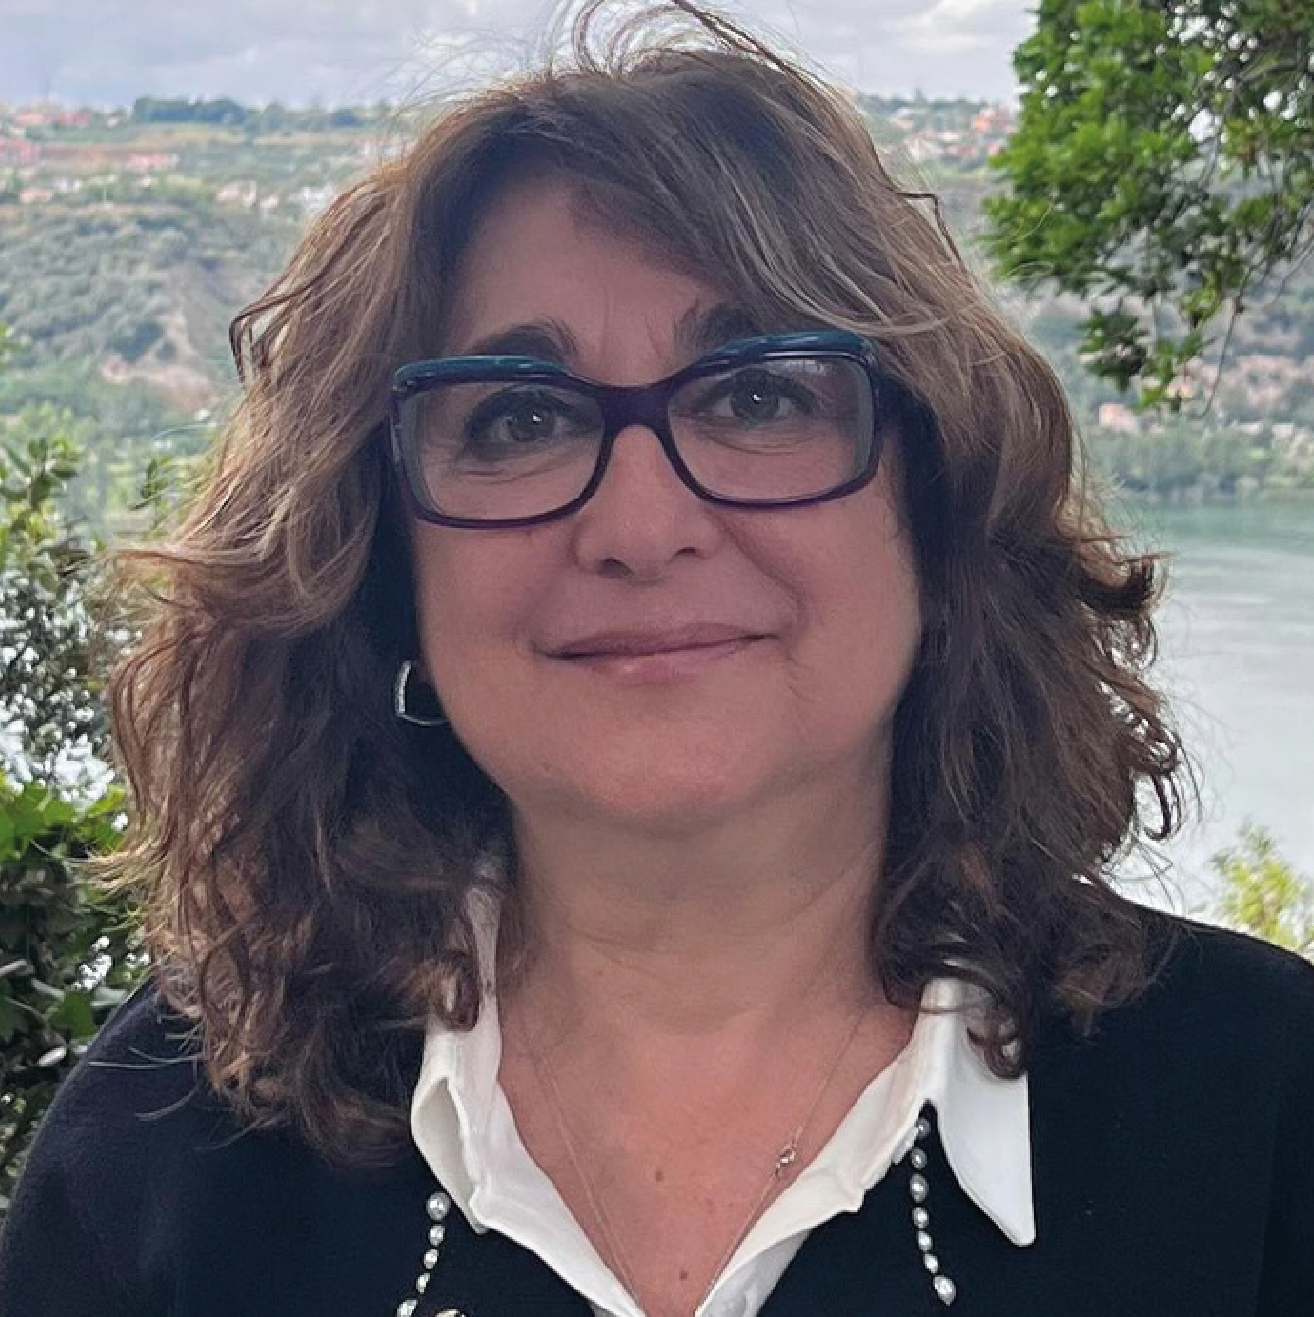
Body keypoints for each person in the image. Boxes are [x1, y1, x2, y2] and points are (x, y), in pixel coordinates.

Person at [2, 3, 1311, 1315]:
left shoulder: (1264, 1111)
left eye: (757, 395)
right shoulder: (164, 1159)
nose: (639, 526)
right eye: (518, 420)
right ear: (381, 567)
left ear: (938, 497)